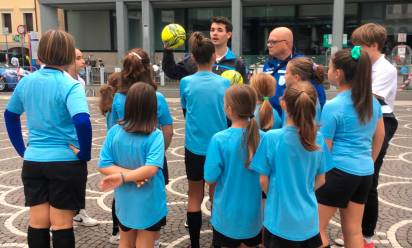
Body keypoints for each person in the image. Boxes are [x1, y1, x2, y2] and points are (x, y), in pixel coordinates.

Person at [4, 30, 92, 248]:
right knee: (61, 224)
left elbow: (10, 115)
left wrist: (22, 150)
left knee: (38, 222)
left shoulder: (26, 82)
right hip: (65, 161)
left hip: (34, 161)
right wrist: (85, 153)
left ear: (40, 53)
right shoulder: (70, 84)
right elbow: (82, 120)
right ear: (67, 55)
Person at [316, 47, 385, 248]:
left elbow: (324, 149)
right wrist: (369, 161)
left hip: (338, 172)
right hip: (364, 173)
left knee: (315, 228)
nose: (327, 70)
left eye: (329, 67)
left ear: (338, 73)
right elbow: (379, 136)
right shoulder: (373, 102)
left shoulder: (334, 105)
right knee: (354, 230)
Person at [251, 81, 329, 248]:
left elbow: (263, 181)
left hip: (279, 220)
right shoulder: (319, 139)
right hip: (308, 221)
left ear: (283, 104)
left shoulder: (271, 138)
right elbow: (321, 180)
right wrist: (304, 190)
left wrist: (277, 195)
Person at [108, 48, 173, 248]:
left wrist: (126, 170)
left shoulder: (117, 98)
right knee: (151, 197)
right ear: (148, 69)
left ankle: (119, 231)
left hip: (123, 160)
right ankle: (152, 239)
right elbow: (168, 130)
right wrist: (156, 154)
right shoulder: (157, 97)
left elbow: (112, 129)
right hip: (151, 159)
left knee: (122, 197)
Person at [98, 82, 167, 248]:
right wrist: (134, 176)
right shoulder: (155, 135)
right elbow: (151, 169)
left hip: (124, 201)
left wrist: (126, 176)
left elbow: (104, 164)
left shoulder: (114, 131)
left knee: (125, 242)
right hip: (150, 202)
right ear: (153, 107)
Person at [180, 32, 230, 248]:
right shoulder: (224, 84)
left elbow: (185, 111)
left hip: (194, 147)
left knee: (194, 197)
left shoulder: (185, 82)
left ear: (193, 57)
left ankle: (194, 244)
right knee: (216, 195)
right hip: (219, 147)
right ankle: (217, 241)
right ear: (213, 58)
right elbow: (229, 115)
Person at [351, 23, 399, 248]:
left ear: (372, 45)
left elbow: (371, 97)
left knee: (369, 178)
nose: (355, 51)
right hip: (362, 119)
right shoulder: (364, 65)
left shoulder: (385, 68)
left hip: (381, 121)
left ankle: (367, 237)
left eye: (358, 46)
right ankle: (355, 233)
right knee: (356, 177)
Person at [204, 84, 263, 248]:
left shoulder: (219, 139)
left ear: (229, 109)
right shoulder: (264, 138)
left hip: (226, 217)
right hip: (254, 217)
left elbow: (210, 177)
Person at [65, 48, 98, 228]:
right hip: (66, 136)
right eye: (78, 58)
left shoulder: (81, 82)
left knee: (80, 176)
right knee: (68, 179)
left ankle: (79, 211)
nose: (83, 61)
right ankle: (64, 217)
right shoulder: (65, 82)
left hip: (77, 136)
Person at [162, 16, 247, 83]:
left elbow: (244, 91)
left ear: (228, 34)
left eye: (219, 30)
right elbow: (172, 72)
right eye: (212, 30)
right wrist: (168, 49)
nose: (215, 33)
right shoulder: (195, 57)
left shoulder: (237, 63)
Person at [98, 72, 121, 245]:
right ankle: (118, 230)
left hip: (112, 153)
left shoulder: (109, 107)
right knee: (120, 195)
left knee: (118, 193)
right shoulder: (118, 106)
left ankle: (116, 231)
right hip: (119, 153)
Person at [263, 27, 302, 116]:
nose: (269, 45)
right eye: (268, 42)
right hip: (269, 121)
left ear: (286, 43)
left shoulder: (301, 63)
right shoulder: (268, 65)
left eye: (273, 42)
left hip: (291, 122)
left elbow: (316, 96)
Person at [283, 57, 325, 125]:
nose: (284, 76)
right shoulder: (312, 98)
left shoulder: (305, 99)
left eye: (286, 73)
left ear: (296, 78)